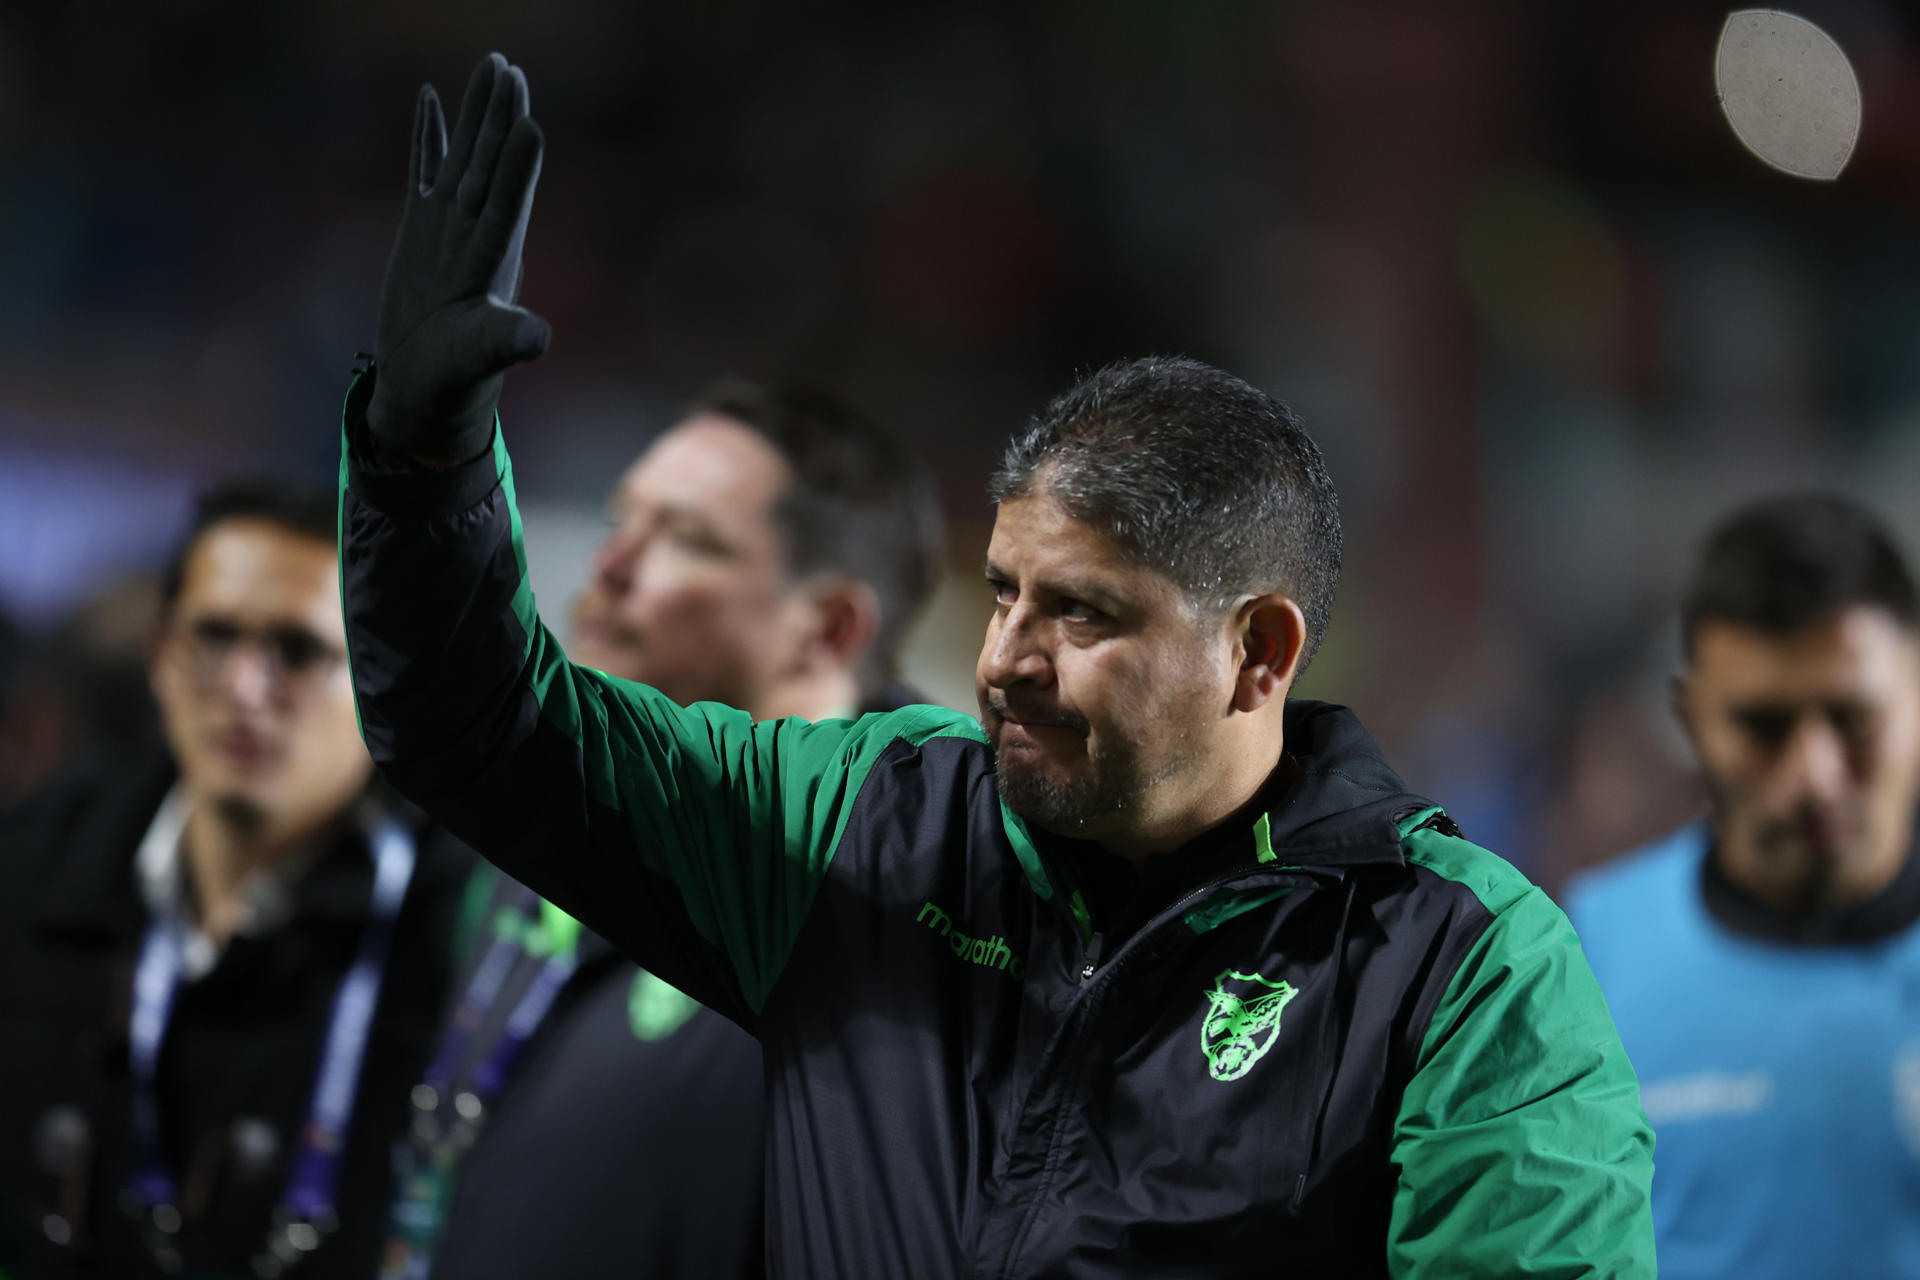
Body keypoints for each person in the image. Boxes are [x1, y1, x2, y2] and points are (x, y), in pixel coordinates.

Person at [340, 53, 1655, 1276]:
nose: (1005, 659)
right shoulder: (861, 823)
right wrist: (422, 460)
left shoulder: (1457, 963)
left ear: (1257, 653)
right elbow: (488, 729)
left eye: (1083, 615)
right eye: (1003, 592)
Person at [381, 374, 943, 1280]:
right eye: (621, 522)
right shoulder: (529, 834)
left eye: (686, 539)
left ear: (828, 627)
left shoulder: (896, 916)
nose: (611, 567)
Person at [0, 479, 474, 1280]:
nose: (245, 690)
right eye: (213, 638)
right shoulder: (33, 869)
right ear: (159, 659)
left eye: (298, 651)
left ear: (384, 681)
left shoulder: (456, 929)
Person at [1566, 494, 1920, 1279]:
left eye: (1854, 718)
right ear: (1692, 721)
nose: (1815, 776)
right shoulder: (1590, 957)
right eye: (1764, 726)